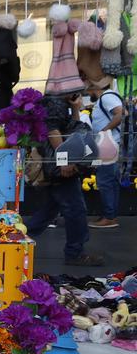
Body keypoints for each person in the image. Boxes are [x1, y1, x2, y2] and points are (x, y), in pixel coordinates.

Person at [25, 93, 104, 266]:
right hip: (59, 167)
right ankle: (74, 253)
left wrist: (75, 108)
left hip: (57, 165)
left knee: (51, 209)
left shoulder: (57, 101)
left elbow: (72, 129)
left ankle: (19, 239)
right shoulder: (53, 102)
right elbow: (53, 131)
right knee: (75, 209)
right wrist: (65, 160)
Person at [87, 77, 124, 229]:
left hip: (107, 145)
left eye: (88, 88)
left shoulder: (107, 97)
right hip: (110, 144)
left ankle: (109, 217)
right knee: (111, 181)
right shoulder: (107, 97)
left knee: (105, 181)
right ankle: (111, 215)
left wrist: (103, 132)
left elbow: (119, 114)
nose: (87, 92)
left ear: (95, 86)